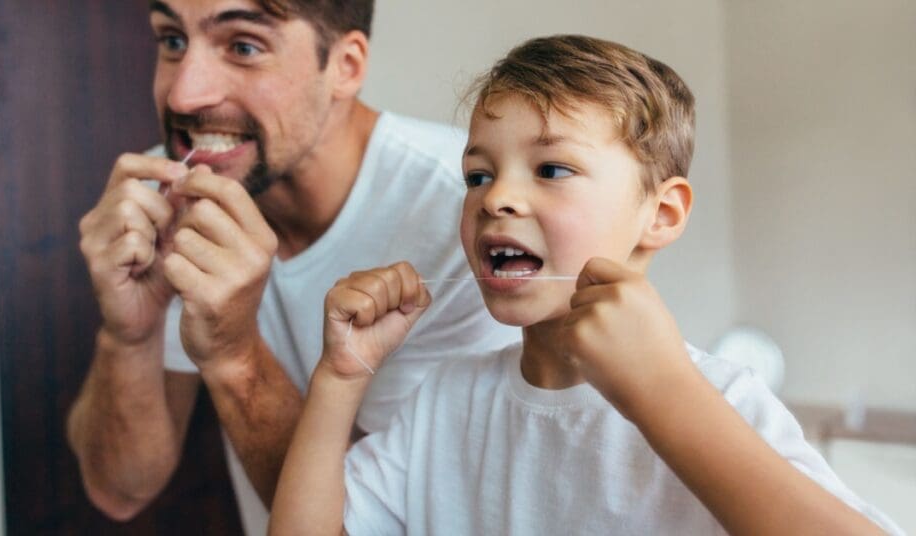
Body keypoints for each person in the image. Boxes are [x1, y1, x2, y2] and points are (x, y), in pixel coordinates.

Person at [269, 35, 903, 535]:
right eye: (478, 176)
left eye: (551, 168)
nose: (499, 199)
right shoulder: (445, 403)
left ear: (661, 214)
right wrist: (340, 380)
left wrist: (664, 392)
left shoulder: (722, 398)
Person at [65, 1, 519, 533]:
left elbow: (387, 526)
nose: (184, 94)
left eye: (243, 47)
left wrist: (235, 357)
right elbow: (119, 489)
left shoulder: (472, 221)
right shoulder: (165, 199)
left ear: (345, 66)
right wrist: (129, 335)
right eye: (172, 40)